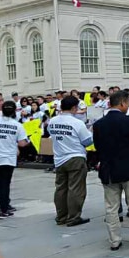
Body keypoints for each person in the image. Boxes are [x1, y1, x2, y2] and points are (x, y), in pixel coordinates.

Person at [92, 91, 129, 251]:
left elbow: (97, 147)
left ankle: (114, 240)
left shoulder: (98, 124)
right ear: (122, 103)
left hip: (109, 169)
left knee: (111, 207)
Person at [48, 96, 94, 227]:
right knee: (76, 189)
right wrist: (90, 132)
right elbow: (87, 141)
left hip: (59, 158)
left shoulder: (53, 121)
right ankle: (73, 217)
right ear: (74, 108)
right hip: (75, 157)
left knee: (61, 188)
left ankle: (61, 216)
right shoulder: (77, 123)